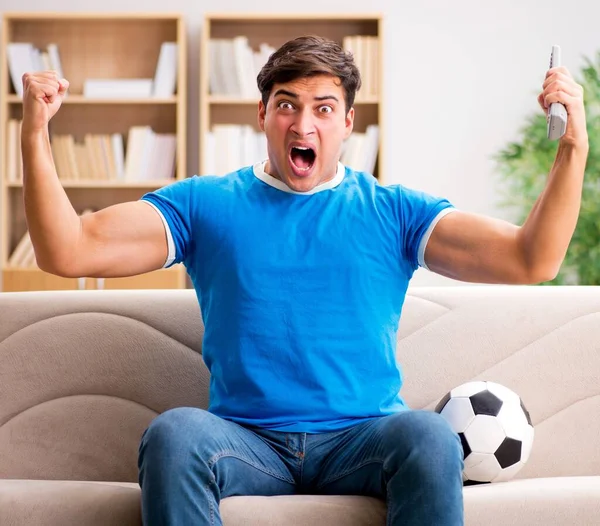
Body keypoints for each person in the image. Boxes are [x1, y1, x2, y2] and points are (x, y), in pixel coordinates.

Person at [20, 35, 588, 526]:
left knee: (429, 436)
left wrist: (573, 147)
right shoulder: (205, 205)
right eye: (287, 105)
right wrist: (35, 132)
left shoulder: (393, 211)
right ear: (262, 116)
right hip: (245, 441)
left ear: (347, 123)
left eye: (323, 108)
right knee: (174, 435)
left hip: (362, 440)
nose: (303, 123)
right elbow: (67, 248)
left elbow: (529, 260)